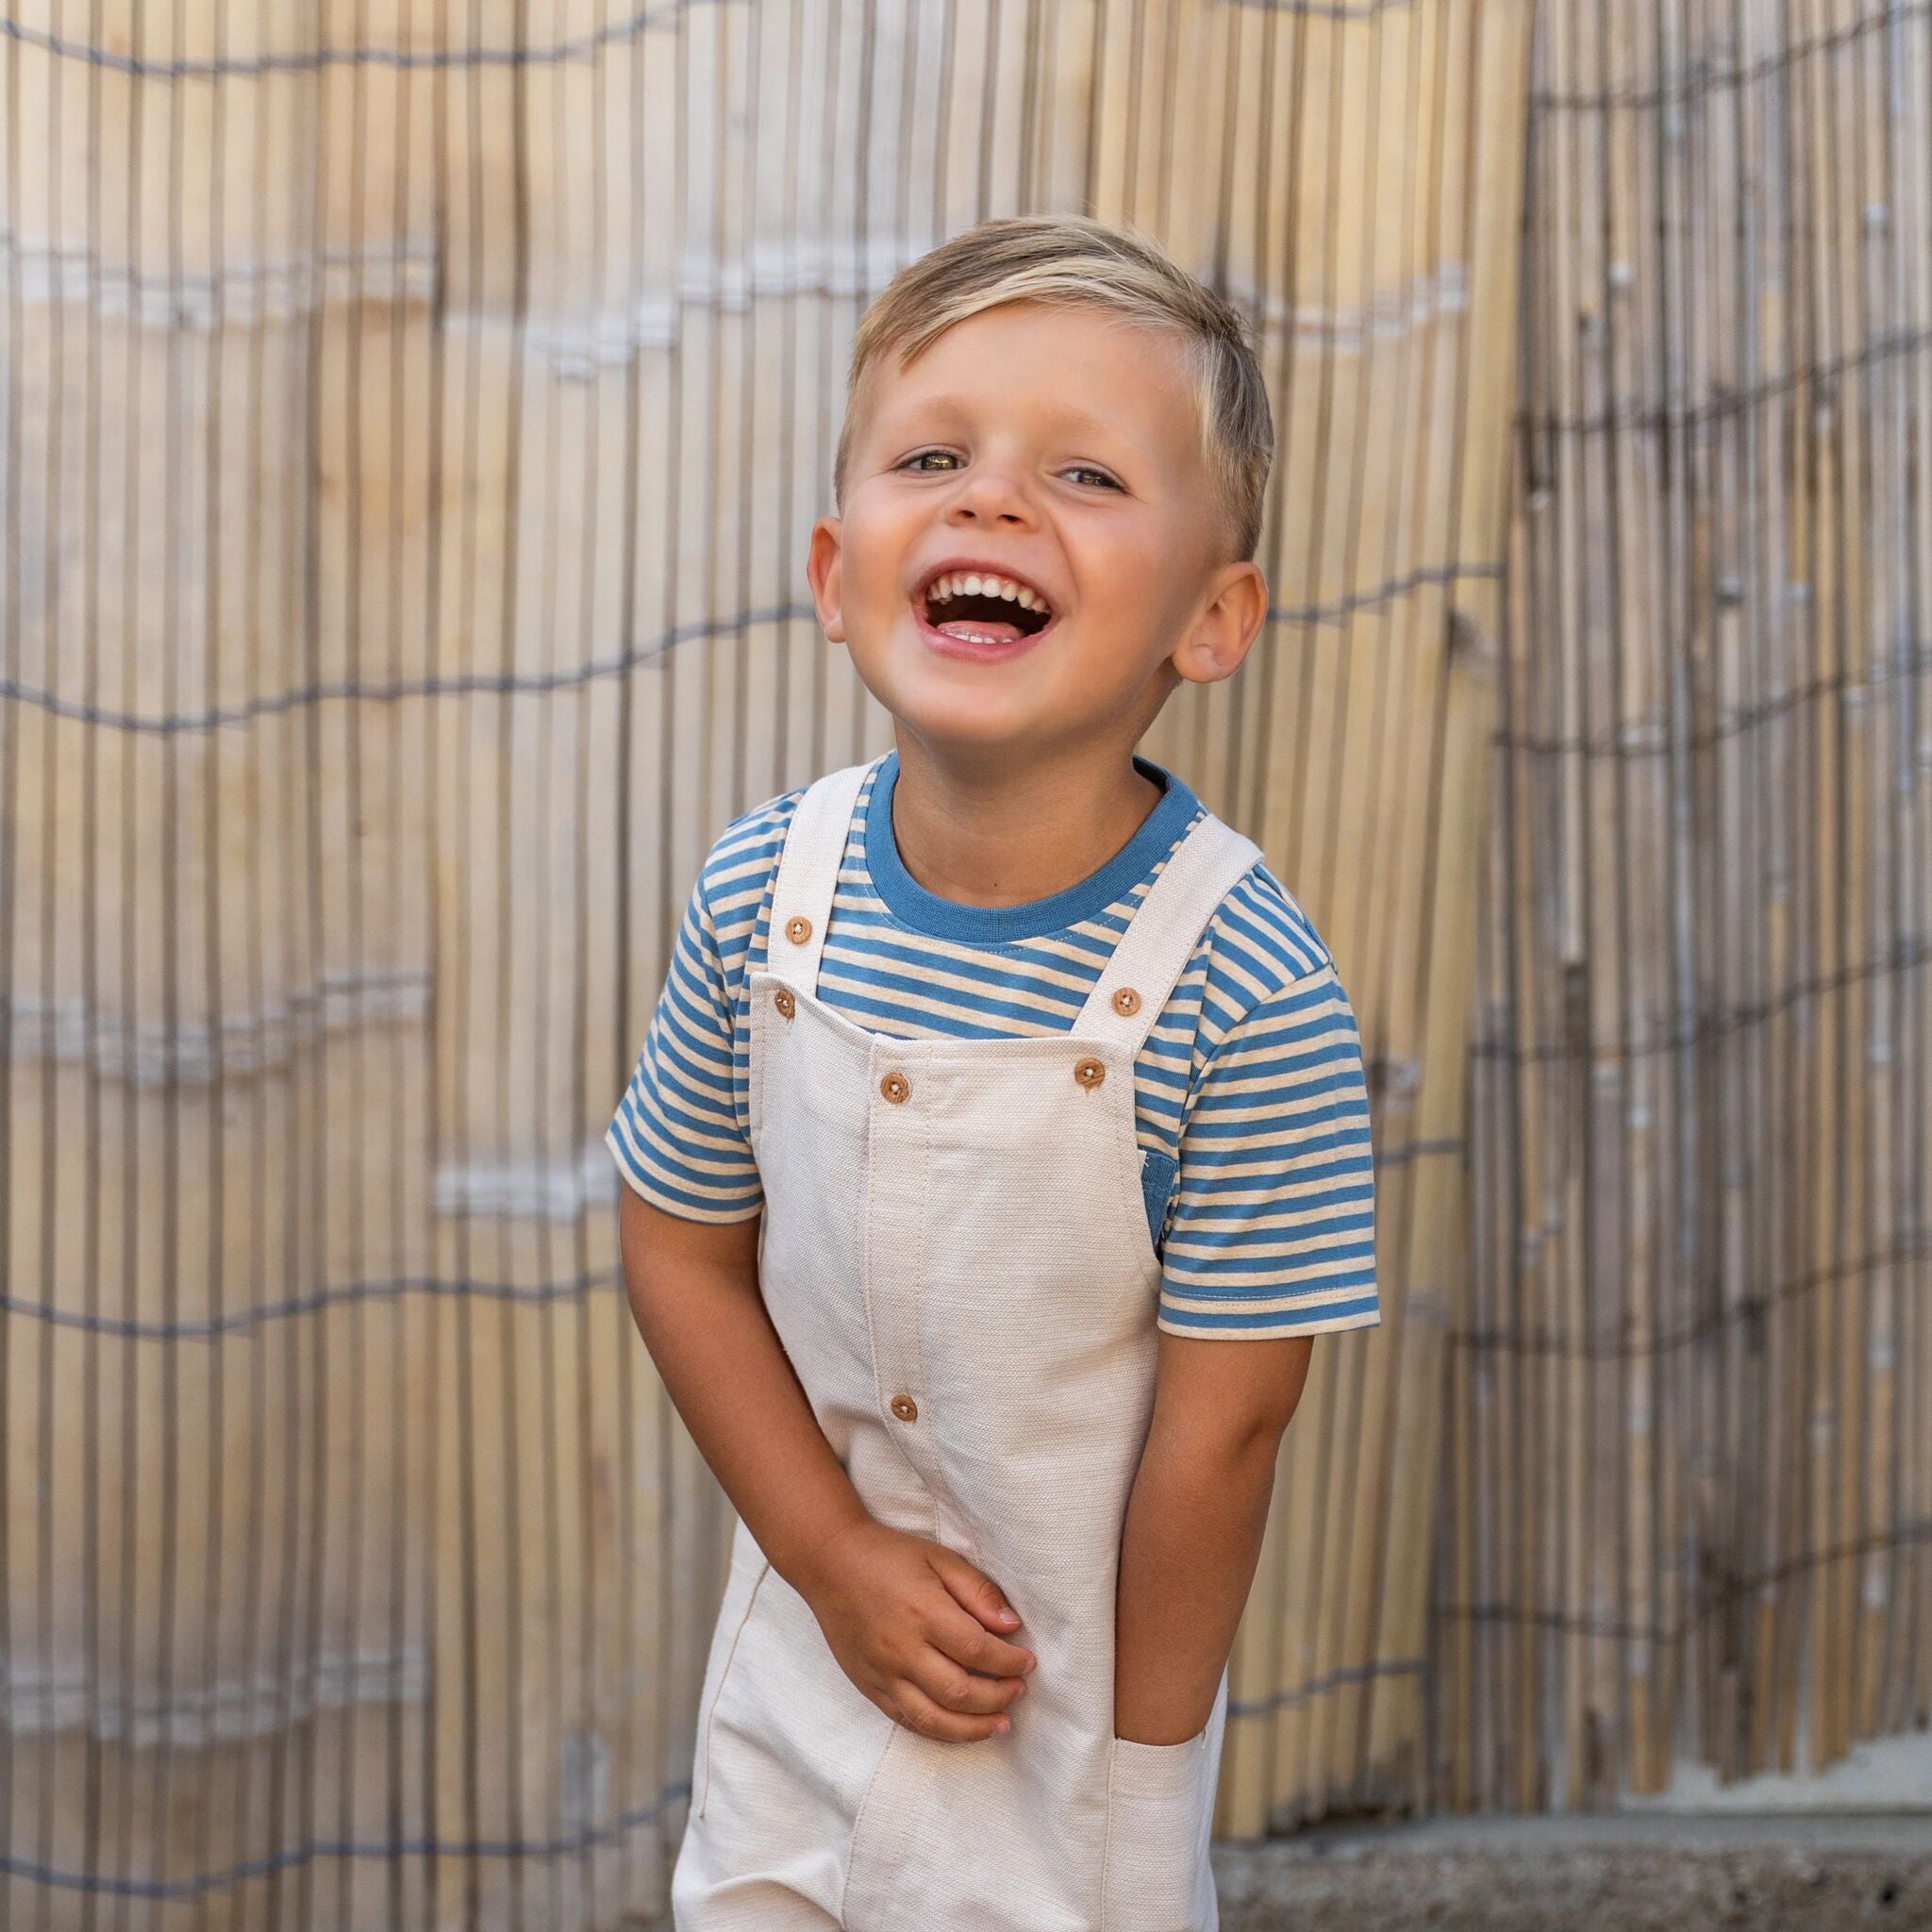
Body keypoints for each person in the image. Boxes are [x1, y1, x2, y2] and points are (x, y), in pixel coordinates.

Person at [608, 212, 1381, 1931]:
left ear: (1215, 615)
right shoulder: (763, 892)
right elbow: (677, 1247)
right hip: (802, 1691)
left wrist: (1140, 1770)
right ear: (834, 571)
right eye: (934, 454)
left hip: (1071, 1750)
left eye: (1087, 476)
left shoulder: (1245, 987)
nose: (991, 502)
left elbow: (1231, 1421)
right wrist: (829, 1559)